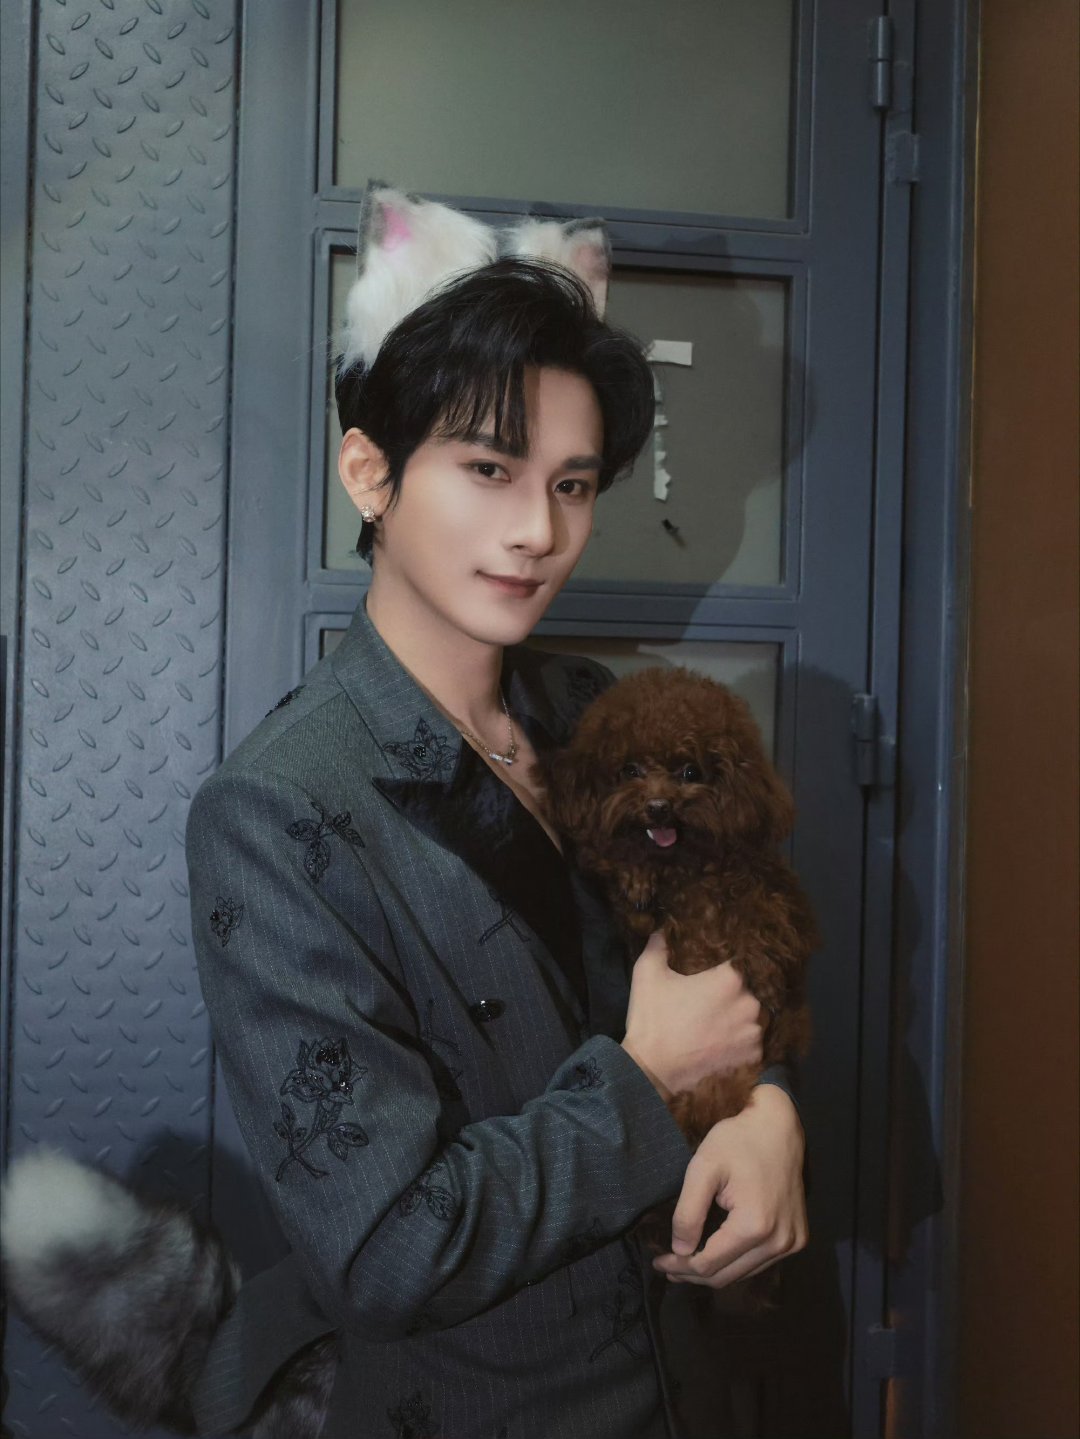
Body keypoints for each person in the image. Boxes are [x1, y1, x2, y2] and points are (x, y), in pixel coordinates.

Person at [185, 245, 807, 1438]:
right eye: (488, 468)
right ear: (370, 472)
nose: (537, 530)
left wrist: (768, 1105)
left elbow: (728, 940)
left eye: (572, 484)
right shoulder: (276, 809)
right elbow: (384, 1250)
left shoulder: (589, 711)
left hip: (696, 1377)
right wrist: (646, 1083)